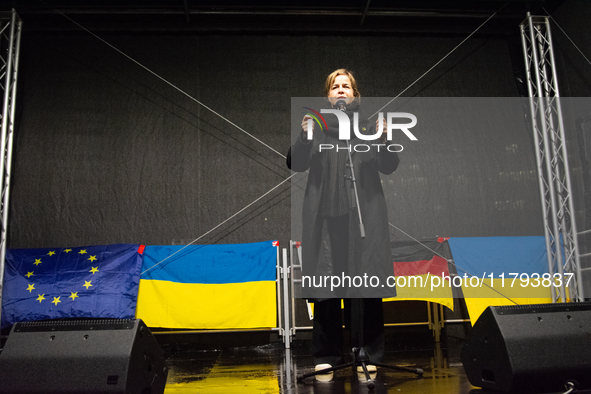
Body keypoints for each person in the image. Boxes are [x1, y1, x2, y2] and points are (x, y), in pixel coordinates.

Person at [286, 69, 400, 373]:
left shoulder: (368, 126)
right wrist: (303, 137)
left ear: (355, 94)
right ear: (328, 96)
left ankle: (368, 355)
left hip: (361, 218)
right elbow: (295, 164)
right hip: (325, 220)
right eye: (334, 86)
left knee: (364, 285)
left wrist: (386, 139)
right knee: (326, 288)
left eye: (345, 86)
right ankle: (327, 357)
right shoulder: (316, 127)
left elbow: (388, 166)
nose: (340, 90)